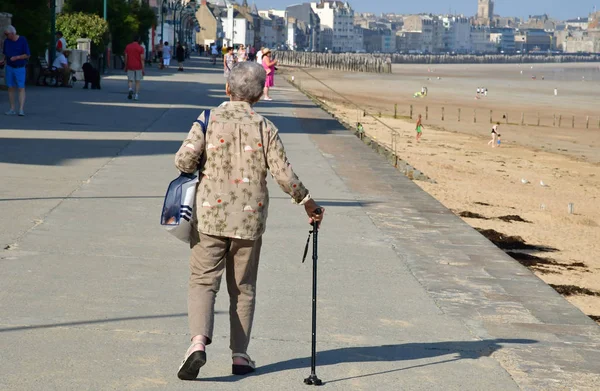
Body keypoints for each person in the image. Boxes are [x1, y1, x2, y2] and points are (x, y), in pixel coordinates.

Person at [174, 61, 324, 381]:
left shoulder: (207, 120)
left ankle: (198, 344)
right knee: (243, 288)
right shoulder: (264, 127)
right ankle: (240, 356)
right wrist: (307, 202)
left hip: (208, 217)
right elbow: (284, 174)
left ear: (228, 88)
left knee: (203, 281)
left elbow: (184, 160)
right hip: (249, 220)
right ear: (257, 96)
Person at [1, 25, 30, 116]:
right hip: (9, 67)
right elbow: (6, 54)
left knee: (21, 88)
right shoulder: (7, 42)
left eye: (7, 34)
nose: (6, 36)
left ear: (12, 33)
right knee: (10, 87)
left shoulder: (22, 40)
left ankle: (21, 109)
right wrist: (3, 60)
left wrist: (17, 57)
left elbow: (27, 54)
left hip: (20, 67)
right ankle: (12, 108)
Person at [124, 35, 145, 101]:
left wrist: (126, 65)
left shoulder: (128, 47)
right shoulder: (140, 48)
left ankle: (130, 88)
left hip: (130, 65)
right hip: (138, 66)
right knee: (137, 81)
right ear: (138, 40)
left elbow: (126, 57)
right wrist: (143, 69)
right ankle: (136, 95)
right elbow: (142, 59)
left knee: (130, 79)